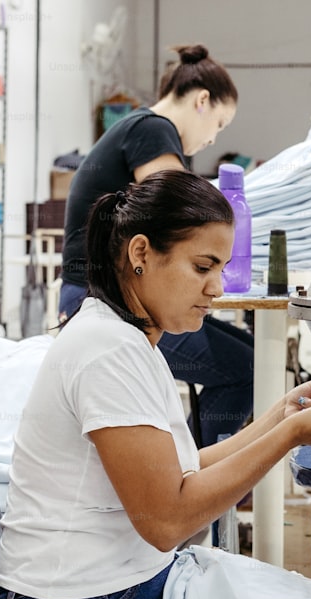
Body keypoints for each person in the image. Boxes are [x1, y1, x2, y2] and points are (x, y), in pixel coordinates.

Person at [0, 171, 311, 599]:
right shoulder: (106, 351)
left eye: (221, 268)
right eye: (202, 267)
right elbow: (168, 520)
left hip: (106, 596)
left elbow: (182, 468)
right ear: (141, 254)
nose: (217, 288)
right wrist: (292, 434)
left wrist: (283, 413)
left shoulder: (128, 338)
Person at [60, 43, 250, 448]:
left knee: (253, 358)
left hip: (105, 293)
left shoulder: (143, 129)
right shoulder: (152, 129)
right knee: (247, 370)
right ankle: (197, 483)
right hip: (99, 298)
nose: (214, 138)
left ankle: (197, 472)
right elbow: (180, 214)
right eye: (219, 123)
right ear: (202, 100)